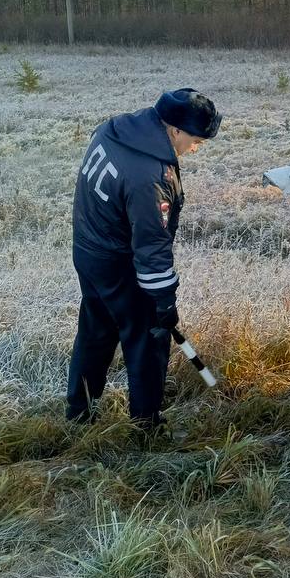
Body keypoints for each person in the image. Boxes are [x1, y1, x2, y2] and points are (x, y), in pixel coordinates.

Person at [67, 88, 221, 428]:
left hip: (89, 251)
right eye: (196, 140)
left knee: (96, 331)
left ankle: (79, 413)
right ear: (175, 129)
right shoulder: (151, 176)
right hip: (121, 265)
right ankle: (146, 424)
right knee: (149, 340)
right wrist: (164, 302)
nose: (196, 148)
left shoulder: (118, 129)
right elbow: (152, 246)